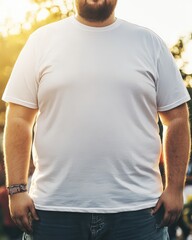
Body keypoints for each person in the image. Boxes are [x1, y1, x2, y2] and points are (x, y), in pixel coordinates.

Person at [2, 0, 191, 239]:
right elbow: (19, 117)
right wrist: (16, 189)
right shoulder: (41, 42)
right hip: (52, 212)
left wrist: (175, 188)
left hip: (139, 213)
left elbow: (177, 118)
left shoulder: (149, 43)